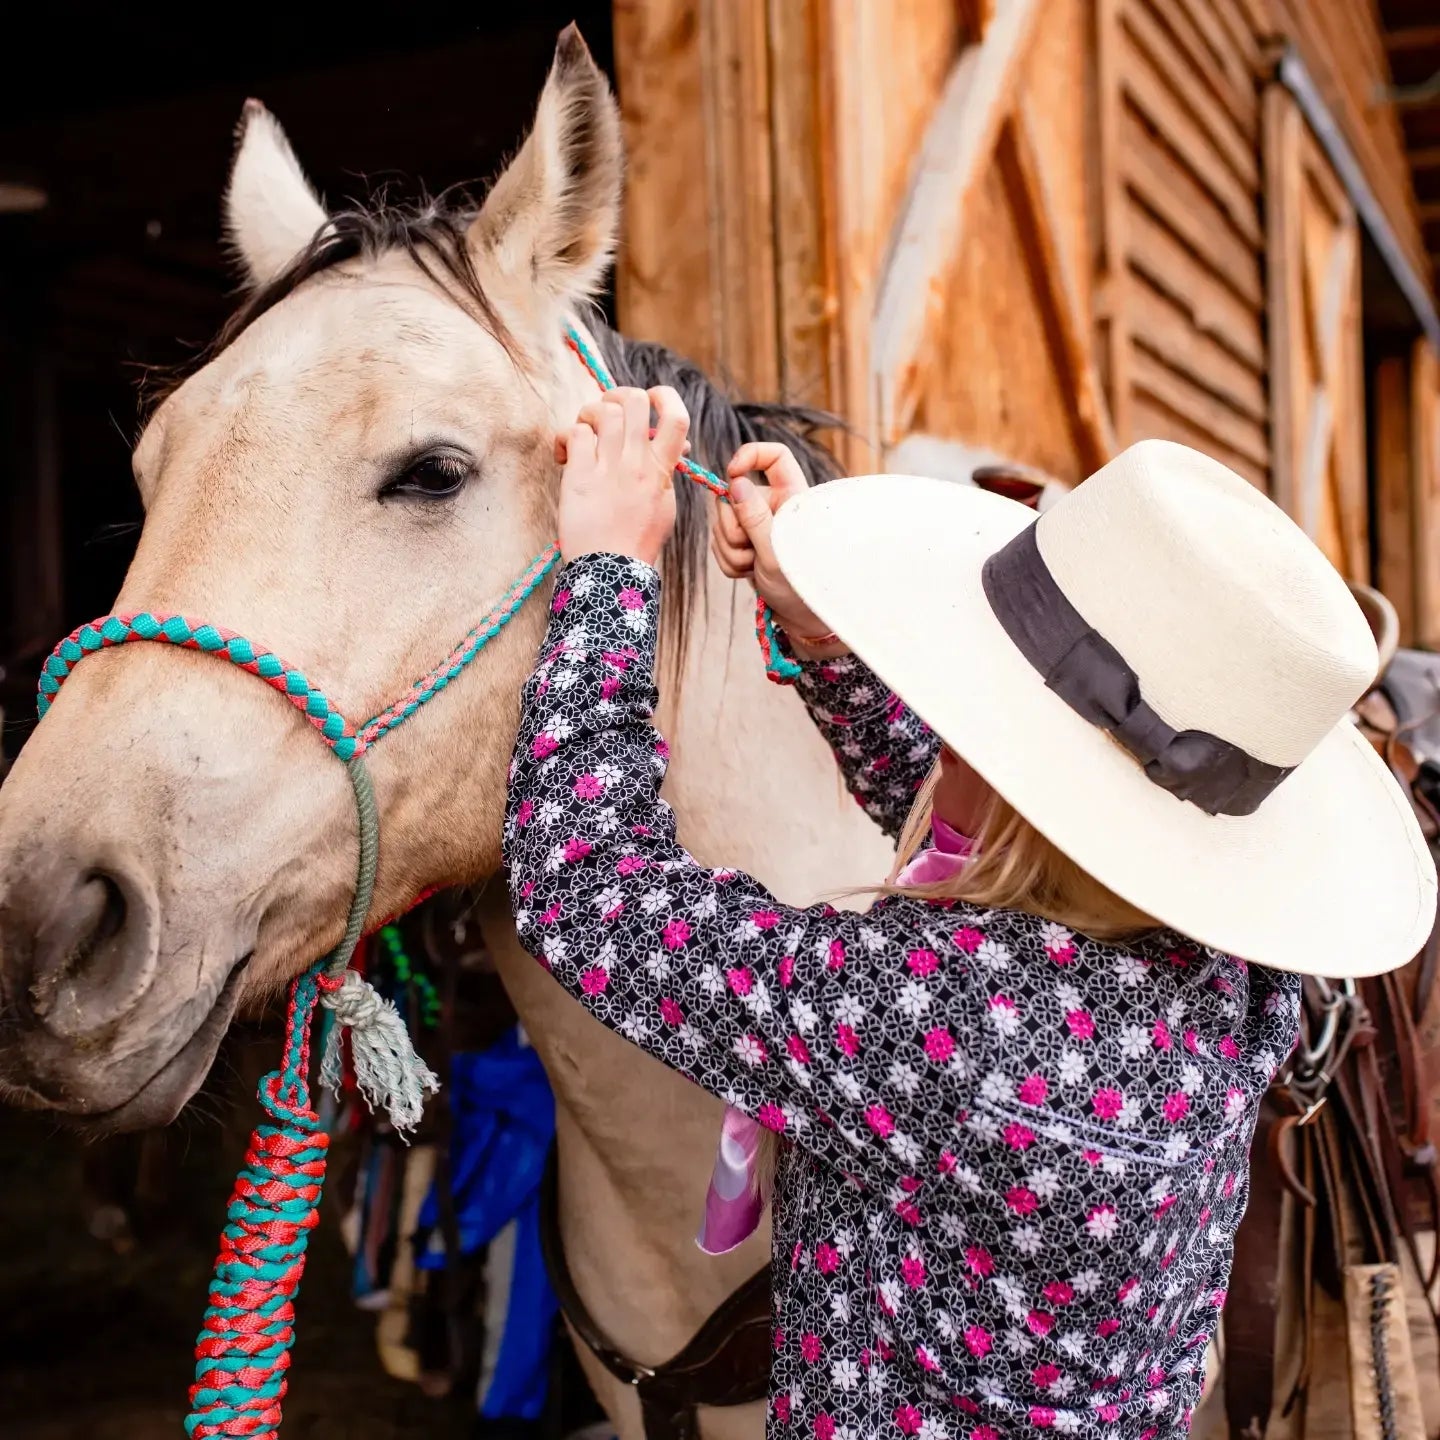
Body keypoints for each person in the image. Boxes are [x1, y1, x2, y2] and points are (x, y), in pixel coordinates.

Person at [502, 386, 1435, 1439]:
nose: (947, 724)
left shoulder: (947, 1019)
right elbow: (1002, 846)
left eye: (968, 708)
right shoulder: (1229, 971)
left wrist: (608, 571)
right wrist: (825, 640)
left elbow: (589, 894)